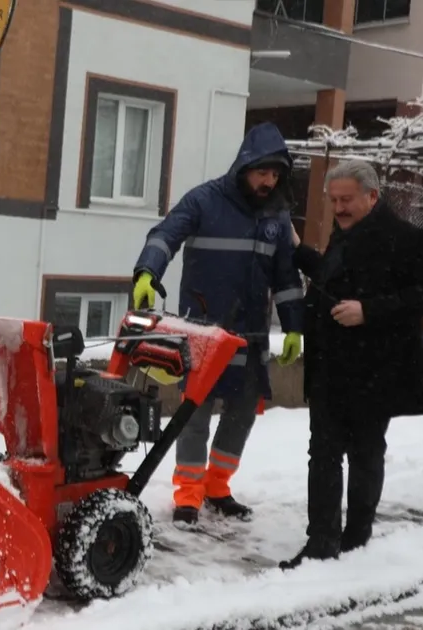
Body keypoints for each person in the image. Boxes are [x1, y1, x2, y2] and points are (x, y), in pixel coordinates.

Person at [131, 122, 305, 527]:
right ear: (245, 165)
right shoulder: (204, 200)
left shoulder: (277, 216)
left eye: (276, 175)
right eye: (263, 172)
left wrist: (295, 325)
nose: (269, 181)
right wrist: (147, 272)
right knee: (194, 416)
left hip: (251, 337)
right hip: (202, 334)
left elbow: (286, 277)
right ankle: (188, 495)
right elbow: (166, 234)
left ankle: (217, 487)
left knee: (242, 415)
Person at [279, 161, 423, 570]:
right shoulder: (343, 235)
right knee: (323, 453)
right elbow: (333, 280)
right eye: (334, 201)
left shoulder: (409, 239)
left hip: (377, 369)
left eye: (347, 199)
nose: (339, 208)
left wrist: (369, 311)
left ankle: (356, 537)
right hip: (331, 365)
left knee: (366, 453)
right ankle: (321, 542)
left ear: (372, 195)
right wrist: (300, 251)